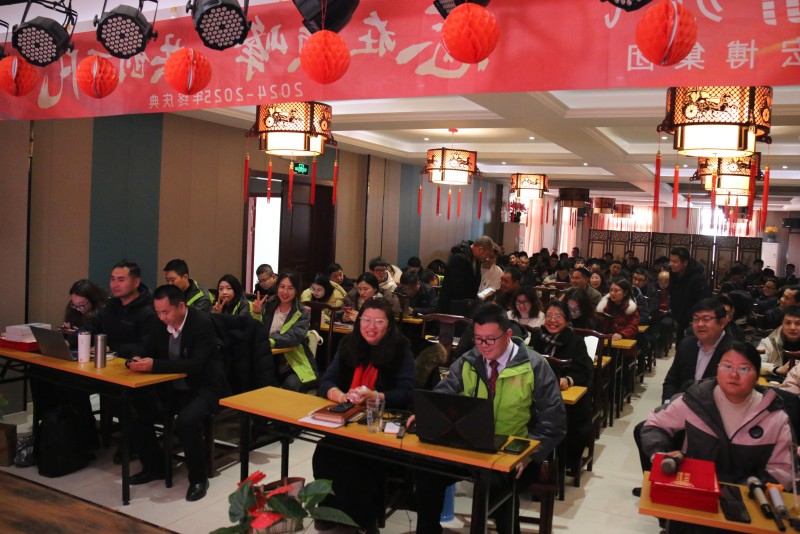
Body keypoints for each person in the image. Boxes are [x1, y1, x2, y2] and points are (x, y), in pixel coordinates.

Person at [413, 303, 566, 534]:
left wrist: (528, 454)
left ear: (508, 334)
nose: (483, 345)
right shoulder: (468, 361)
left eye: (490, 339)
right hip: (469, 446)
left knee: (495, 486)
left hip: (514, 452)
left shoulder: (534, 365)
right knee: (427, 473)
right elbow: (443, 395)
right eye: (478, 339)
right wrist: (426, 415)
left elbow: (555, 421)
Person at [312, 298, 414, 532]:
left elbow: (406, 394)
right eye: (366, 320)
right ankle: (328, 509)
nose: (371, 327)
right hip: (349, 420)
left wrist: (375, 396)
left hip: (381, 425)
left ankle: (362, 521)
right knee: (324, 452)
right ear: (358, 321)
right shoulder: (349, 344)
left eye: (379, 321)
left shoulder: (401, 350)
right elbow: (327, 380)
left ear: (389, 325)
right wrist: (340, 395)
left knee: (357, 461)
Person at [641, 341, 793, 492]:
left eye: (744, 369)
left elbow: (784, 471)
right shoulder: (697, 400)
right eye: (727, 366)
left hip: (748, 498)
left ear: (757, 376)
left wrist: (741, 492)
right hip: (695, 490)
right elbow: (655, 423)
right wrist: (659, 454)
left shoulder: (774, 415)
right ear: (717, 369)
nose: (734, 375)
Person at [126, 284, 228, 502]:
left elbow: (195, 364)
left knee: (187, 420)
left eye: (166, 312)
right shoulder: (159, 324)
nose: (162, 317)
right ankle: (154, 466)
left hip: (204, 388)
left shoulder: (202, 324)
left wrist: (154, 365)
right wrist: (135, 358)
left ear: (181, 306)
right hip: (172, 388)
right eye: (158, 312)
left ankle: (198, 478)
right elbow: (146, 348)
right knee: (135, 408)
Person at [530, 300, 593, 471]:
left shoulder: (576, 341)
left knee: (564, 416)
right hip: (539, 393)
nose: (552, 320)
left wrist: (568, 380)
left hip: (566, 398)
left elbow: (584, 372)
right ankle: (533, 459)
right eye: (549, 316)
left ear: (566, 320)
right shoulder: (537, 337)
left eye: (558, 316)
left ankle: (562, 463)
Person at [85, 259, 157, 357]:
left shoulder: (149, 310)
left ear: (136, 282)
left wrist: (111, 349)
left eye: (121, 280)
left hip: (131, 362)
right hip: (108, 359)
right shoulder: (111, 305)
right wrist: (70, 341)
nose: (115, 285)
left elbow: (146, 346)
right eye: (112, 279)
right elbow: (92, 326)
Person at [262, 271, 318, 391]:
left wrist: (269, 341)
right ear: (277, 287)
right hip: (266, 360)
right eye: (282, 287)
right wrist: (256, 313)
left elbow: (292, 338)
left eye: (290, 288)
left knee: (292, 385)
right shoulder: (269, 305)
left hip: (291, 364)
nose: (285, 292)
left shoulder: (302, 313)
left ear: (297, 290)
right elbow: (257, 330)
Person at [668, 246, 710, 347]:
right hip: (679, 319)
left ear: (685, 262)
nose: (671, 264)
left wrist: (690, 318)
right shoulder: (673, 275)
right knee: (680, 347)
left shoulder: (697, 279)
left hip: (693, 321)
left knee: (690, 348)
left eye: (675, 262)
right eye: (671, 261)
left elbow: (702, 302)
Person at [758, 304, 800, 377]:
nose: (792, 327)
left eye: (798, 323)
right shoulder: (768, 342)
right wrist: (777, 369)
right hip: (775, 382)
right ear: (782, 323)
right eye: (788, 323)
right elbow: (754, 363)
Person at [596, 278, 639, 344]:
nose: (612, 293)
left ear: (625, 293)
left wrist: (622, 334)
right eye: (611, 290)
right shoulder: (605, 305)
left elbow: (633, 326)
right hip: (605, 339)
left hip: (623, 341)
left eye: (616, 291)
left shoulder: (630, 308)